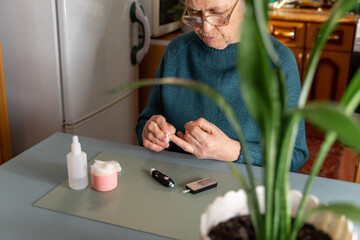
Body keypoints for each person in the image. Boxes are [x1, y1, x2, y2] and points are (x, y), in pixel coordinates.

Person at [136, 0, 309, 172]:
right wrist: (149, 132)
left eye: (218, 14)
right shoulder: (176, 51)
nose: (206, 28)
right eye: (195, 14)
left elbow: (295, 155)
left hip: (244, 193)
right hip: (174, 185)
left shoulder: (278, 62)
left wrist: (233, 151)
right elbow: (145, 122)